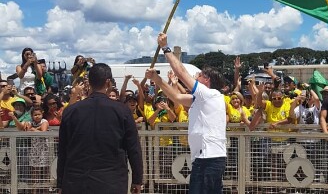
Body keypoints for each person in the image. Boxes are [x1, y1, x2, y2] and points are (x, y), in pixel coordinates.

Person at [146, 32, 227, 194]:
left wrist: (165, 48)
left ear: (207, 81)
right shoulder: (201, 99)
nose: (196, 77)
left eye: (200, 76)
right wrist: (157, 80)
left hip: (208, 158)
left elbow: (181, 73)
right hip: (203, 158)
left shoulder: (210, 94)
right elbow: (175, 96)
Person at [57, 63, 143, 193]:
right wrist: (137, 180)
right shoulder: (122, 111)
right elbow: (133, 148)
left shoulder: (71, 111)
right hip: (112, 182)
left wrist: (60, 182)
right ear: (108, 82)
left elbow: (62, 150)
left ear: (89, 83)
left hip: (76, 181)